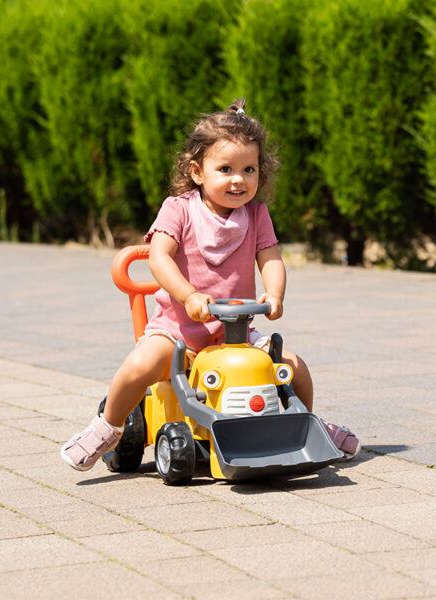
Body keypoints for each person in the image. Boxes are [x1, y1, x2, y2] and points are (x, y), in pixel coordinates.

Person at [61, 99, 360, 471]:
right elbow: (159, 257)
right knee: (138, 366)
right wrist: (188, 295)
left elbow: (270, 257)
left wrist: (274, 293)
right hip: (179, 334)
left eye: (249, 169)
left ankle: (304, 425)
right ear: (197, 172)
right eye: (226, 169)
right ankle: (109, 426)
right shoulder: (180, 208)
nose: (238, 179)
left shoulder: (256, 214)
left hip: (235, 334)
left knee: (294, 367)